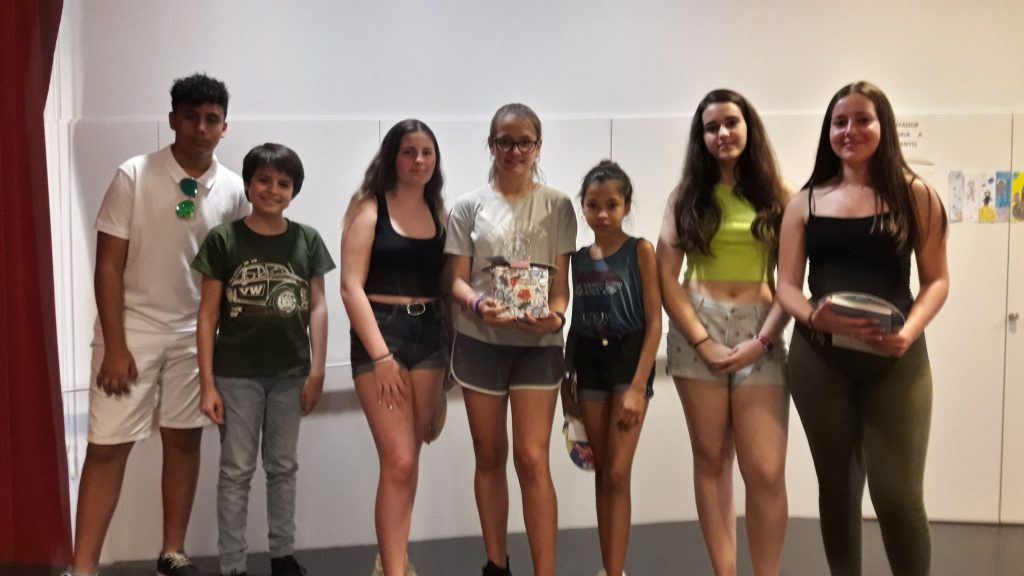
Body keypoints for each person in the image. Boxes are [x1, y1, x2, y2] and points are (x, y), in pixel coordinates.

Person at [66, 73, 249, 576]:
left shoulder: (235, 189)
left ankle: (172, 552)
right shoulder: (134, 175)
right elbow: (108, 266)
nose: (200, 128)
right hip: (131, 334)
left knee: (184, 440)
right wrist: (116, 347)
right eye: (190, 117)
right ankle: (82, 568)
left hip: (195, 339)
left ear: (225, 126)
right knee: (107, 448)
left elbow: (232, 272)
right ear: (172, 120)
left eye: (211, 119)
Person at [776, 81, 949, 576]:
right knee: (837, 489)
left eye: (862, 119)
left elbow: (937, 280)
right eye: (839, 122)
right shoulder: (806, 202)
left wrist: (909, 332)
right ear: (828, 131)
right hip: (819, 359)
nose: (850, 130)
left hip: (896, 358)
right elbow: (786, 286)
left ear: (883, 126)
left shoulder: (916, 195)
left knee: (897, 497)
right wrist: (813, 316)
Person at [657, 89, 793, 576]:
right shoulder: (686, 196)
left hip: (762, 328)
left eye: (731, 123)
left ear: (748, 127)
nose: (722, 134)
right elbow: (666, 275)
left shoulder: (780, 194)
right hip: (699, 325)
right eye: (711, 127)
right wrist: (702, 340)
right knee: (712, 459)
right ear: (702, 138)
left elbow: (791, 282)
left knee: (765, 469)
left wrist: (763, 340)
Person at [445, 103, 576, 576]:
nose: (514, 151)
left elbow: (560, 285)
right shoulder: (468, 206)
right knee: (489, 455)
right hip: (479, 341)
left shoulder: (559, 205)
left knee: (532, 458)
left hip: (538, 348)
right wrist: (478, 304)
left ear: (538, 146)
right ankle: (496, 565)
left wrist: (555, 318)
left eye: (524, 142)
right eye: (505, 141)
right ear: (491, 145)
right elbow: (456, 280)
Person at [193, 143, 334, 576]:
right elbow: (208, 313)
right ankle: (232, 564)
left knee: (283, 467)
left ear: (294, 190)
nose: (273, 190)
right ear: (249, 184)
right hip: (235, 375)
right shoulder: (224, 239)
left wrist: (317, 370)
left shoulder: (307, 239)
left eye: (283, 183)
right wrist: (207, 383)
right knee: (236, 470)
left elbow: (318, 307)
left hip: (291, 374)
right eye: (264, 180)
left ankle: (282, 555)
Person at [340, 119, 447, 576]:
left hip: (430, 338)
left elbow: (448, 286)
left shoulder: (439, 211)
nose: (418, 160)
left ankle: (393, 560)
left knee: (411, 457)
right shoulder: (369, 209)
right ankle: (394, 571)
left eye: (426, 152)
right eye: (408, 151)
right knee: (399, 460)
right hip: (380, 336)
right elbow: (350, 287)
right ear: (392, 157)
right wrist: (381, 357)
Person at [566, 161, 661, 576]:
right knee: (602, 472)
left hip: (628, 360)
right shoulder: (577, 259)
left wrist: (638, 386)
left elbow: (655, 323)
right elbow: (575, 319)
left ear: (626, 206)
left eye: (611, 205)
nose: (602, 214)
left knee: (619, 474)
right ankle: (608, 569)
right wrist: (566, 377)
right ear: (582, 207)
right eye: (593, 205)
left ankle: (617, 570)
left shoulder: (640, 251)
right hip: (588, 362)